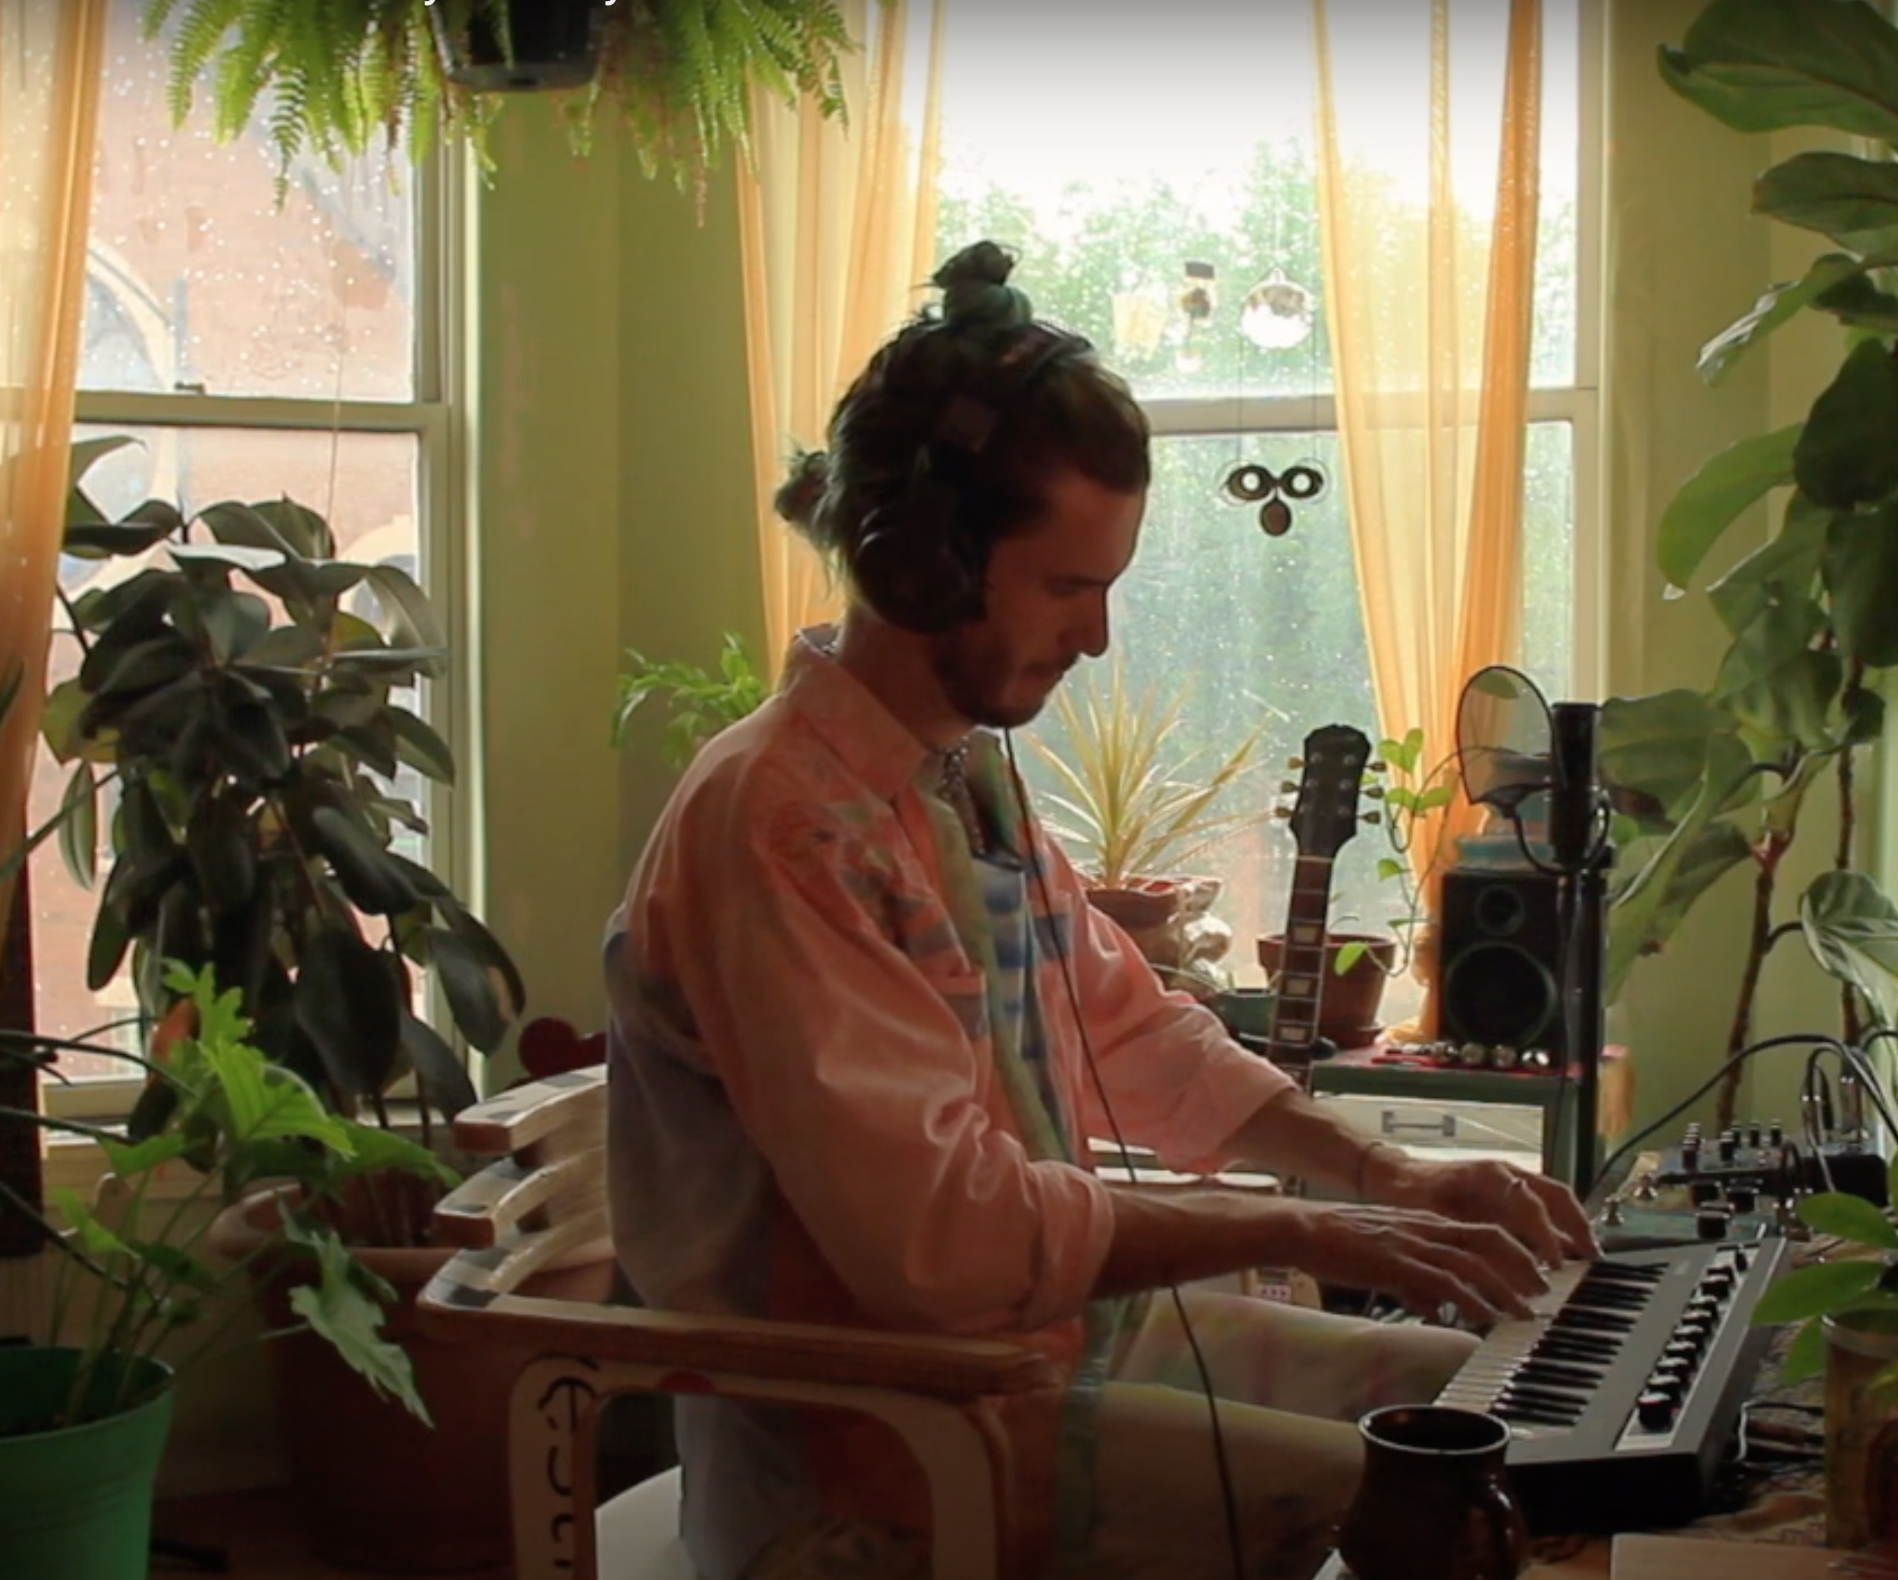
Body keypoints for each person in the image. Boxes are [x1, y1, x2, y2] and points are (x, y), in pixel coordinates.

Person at [604, 239, 1595, 1580]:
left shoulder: (953, 778)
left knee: (1509, 1418)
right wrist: (1304, 1224)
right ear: (926, 569)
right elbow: (943, 1248)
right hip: (874, 1456)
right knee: (1433, 1511)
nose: (1098, 638)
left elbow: (1135, 1035)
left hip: (1035, 1364)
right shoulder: (781, 825)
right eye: (1071, 588)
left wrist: (1388, 1174)